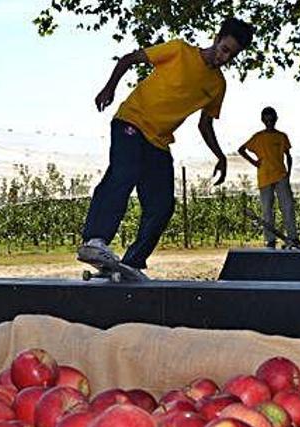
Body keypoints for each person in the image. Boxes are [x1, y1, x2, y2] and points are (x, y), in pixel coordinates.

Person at [77, 17, 255, 277]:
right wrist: (109, 88)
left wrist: (220, 156)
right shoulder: (178, 50)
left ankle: (131, 263)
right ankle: (95, 241)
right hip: (132, 121)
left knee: (162, 205)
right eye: (224, 49)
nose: (224, 58)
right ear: (216, 38)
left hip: (158, 141)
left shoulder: (218, 86)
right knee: (124, 173)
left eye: (232, 55)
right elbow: (128, 59)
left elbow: (205, 125)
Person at [238, 107, 300, 249]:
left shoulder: (281, 136)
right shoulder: (258, 137)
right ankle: (270, 239)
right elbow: (241, 149)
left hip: (281, 176)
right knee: (267, 210)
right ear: (262, 120)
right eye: (266, 120)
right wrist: (254, 162)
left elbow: (288, 156)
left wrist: (288, 173)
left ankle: (293, 237)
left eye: (271, 120)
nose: (269, 122)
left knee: (288, 207)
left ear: (276, 119)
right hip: (265, 176)